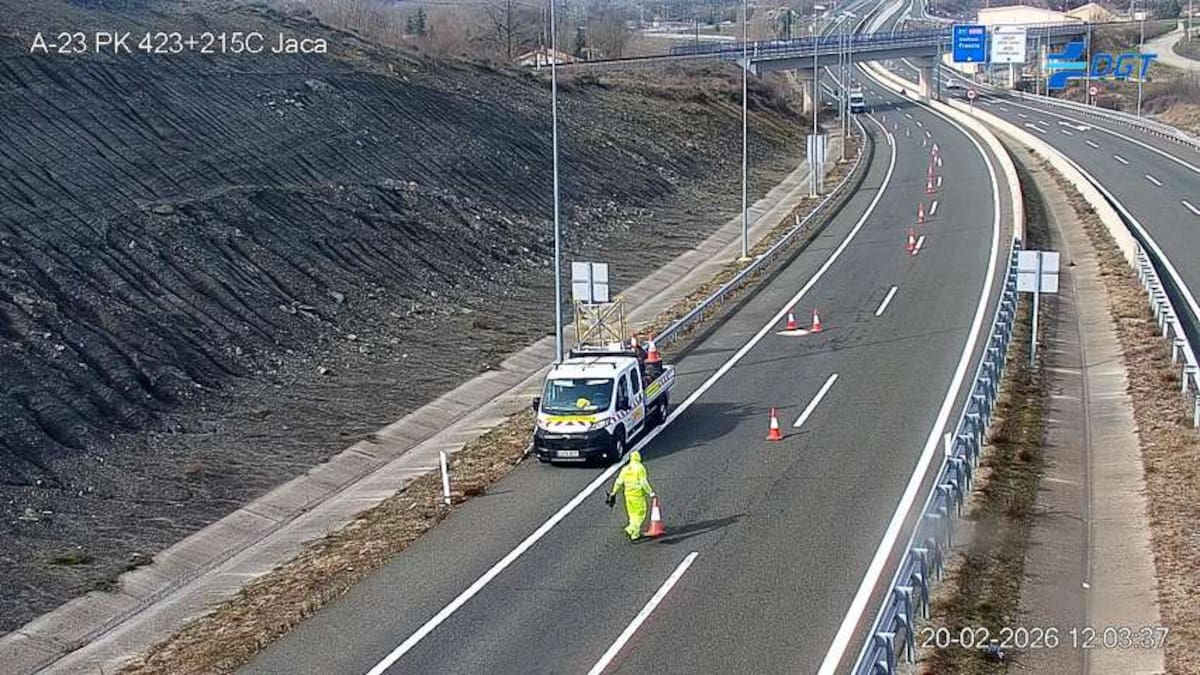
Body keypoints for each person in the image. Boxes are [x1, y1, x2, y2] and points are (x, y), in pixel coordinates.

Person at [605, 450, 655, 541]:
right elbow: (643, 482)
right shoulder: (640, 468)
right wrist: (650, 492)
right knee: (640, 513)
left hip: (628, 495)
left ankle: (633, 531)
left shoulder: (625, 469)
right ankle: (632, 530)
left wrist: (613, 492)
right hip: (638, 495)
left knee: (632, 514)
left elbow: (618, 482)